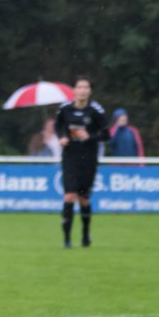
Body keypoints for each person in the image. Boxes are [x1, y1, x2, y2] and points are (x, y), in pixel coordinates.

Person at [54, 76, 109, 248]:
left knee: (84, 199)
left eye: (86, 87)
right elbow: (58, 126)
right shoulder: (64, 109)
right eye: (79, 87)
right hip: (70, 157)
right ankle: (67, 240)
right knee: (69, 195)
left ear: (89, 91)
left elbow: (107, 134)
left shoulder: (95, 110)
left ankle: (85, 235)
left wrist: (90, 137)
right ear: (74, 90)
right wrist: (62, 137)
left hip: (88, 158)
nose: (83, 90)